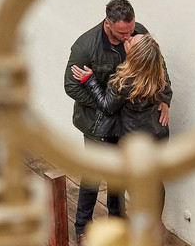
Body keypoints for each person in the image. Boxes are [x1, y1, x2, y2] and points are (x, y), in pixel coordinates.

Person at [64, 0, 170, 246]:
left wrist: (164, 100)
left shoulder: (139, 36)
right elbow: (70, 86)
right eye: (122, 33)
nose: (128, 37)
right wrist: (105, 104)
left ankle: (120, 225)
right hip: (98, 125)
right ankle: (83, 230)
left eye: (131, 32)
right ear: (108, 23)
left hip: (126, 128)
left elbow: (161, 68)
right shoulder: (85, 46)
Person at [71, 33, 170, 217]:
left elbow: (107, 106)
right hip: (157, 135)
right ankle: (155, 222)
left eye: (131, 41)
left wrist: (90, 80)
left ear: (134, 55)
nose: (128, 38)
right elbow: (166, 90)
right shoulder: (156, 73)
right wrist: (165, 102)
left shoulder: (126, 82)